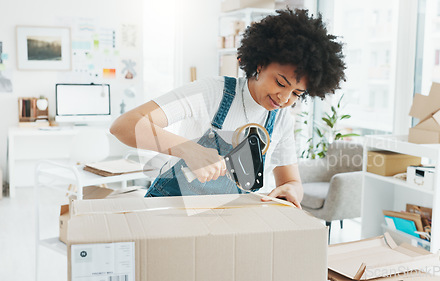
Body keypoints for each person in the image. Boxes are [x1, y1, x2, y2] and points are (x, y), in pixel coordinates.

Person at [110, 9, 346, 208]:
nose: (284, 98)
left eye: (297, 93)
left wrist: (291, 192)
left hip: (227, 220)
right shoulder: (211, 92)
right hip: (170, 210)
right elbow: (124, 126)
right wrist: (188, 150)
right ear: (260, 64)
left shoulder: (281, 119)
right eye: (281, 82)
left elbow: (291, 182)